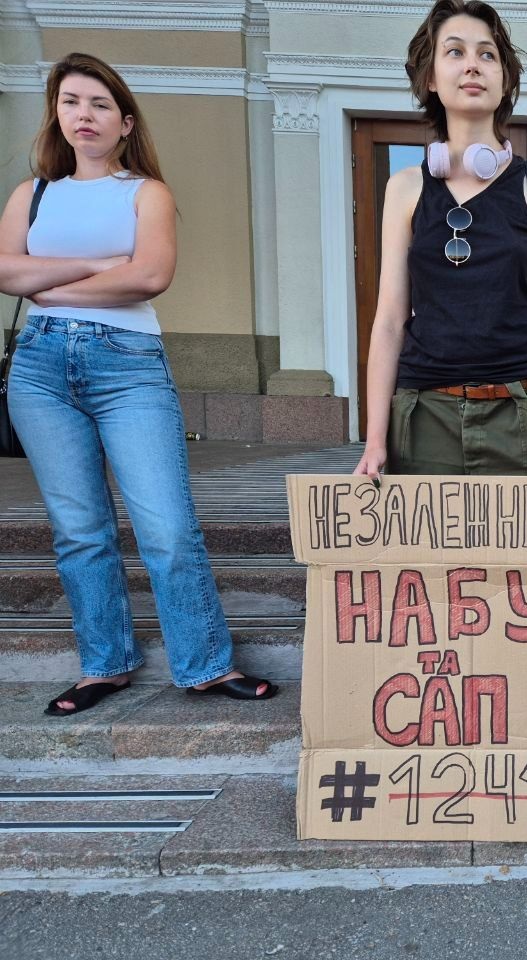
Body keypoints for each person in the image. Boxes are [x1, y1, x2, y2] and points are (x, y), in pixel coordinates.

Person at [0, 53, 277, 715]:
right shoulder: (32, 193)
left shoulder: (146, 193)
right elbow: (7, 273)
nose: (84, 115)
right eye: (71, 101)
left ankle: (205, 664)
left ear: (125, 122)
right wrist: (102, 262)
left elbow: (150, 276)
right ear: (56, 114)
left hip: (127, 366)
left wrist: (49, 281)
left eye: (100, 104)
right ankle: (105, 665)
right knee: (79, 530)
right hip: (40, 369)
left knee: (167, 526)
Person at [354, 0, 527, 483]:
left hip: (522, 412)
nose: (473, 65)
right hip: (423, 416)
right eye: (455, 52)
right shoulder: (405, 188)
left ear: (504, 80)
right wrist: (375, 439)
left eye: (487, 54)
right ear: (431, 77)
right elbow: (390, 323)